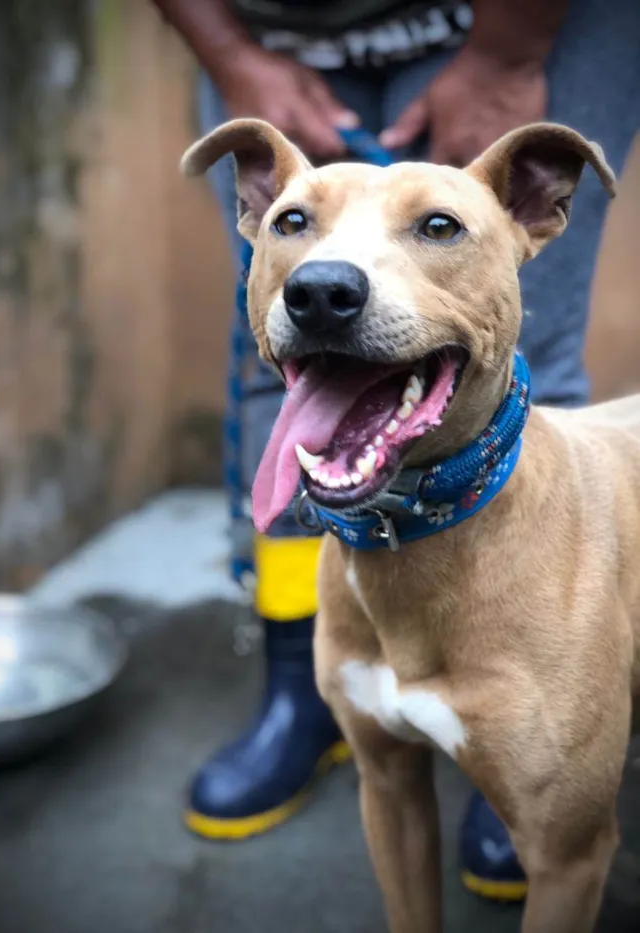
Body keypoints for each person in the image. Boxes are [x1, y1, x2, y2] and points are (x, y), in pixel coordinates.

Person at [153, 0, 640, 898]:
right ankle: (303, 691)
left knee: (535, 343)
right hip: (270, 31)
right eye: (291, 223)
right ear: (254, 210)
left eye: (439, 228)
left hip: (516, 19)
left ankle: (543, 736)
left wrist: (507, 51)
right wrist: (223, 50)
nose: (322, 279)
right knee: (285, 376)